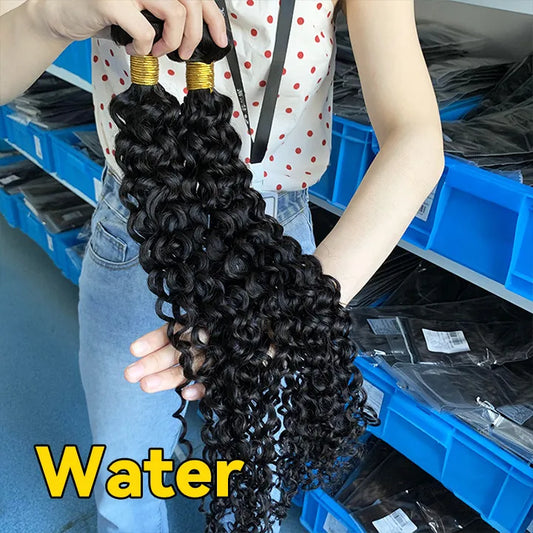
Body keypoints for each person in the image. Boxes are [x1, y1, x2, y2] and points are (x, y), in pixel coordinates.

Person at [0, 0, 444, 531]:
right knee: (125, 479)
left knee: (256, 485)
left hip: (277, 257)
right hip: (140, 226)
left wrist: (296, 307)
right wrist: (47, 17)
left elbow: (416, 137)